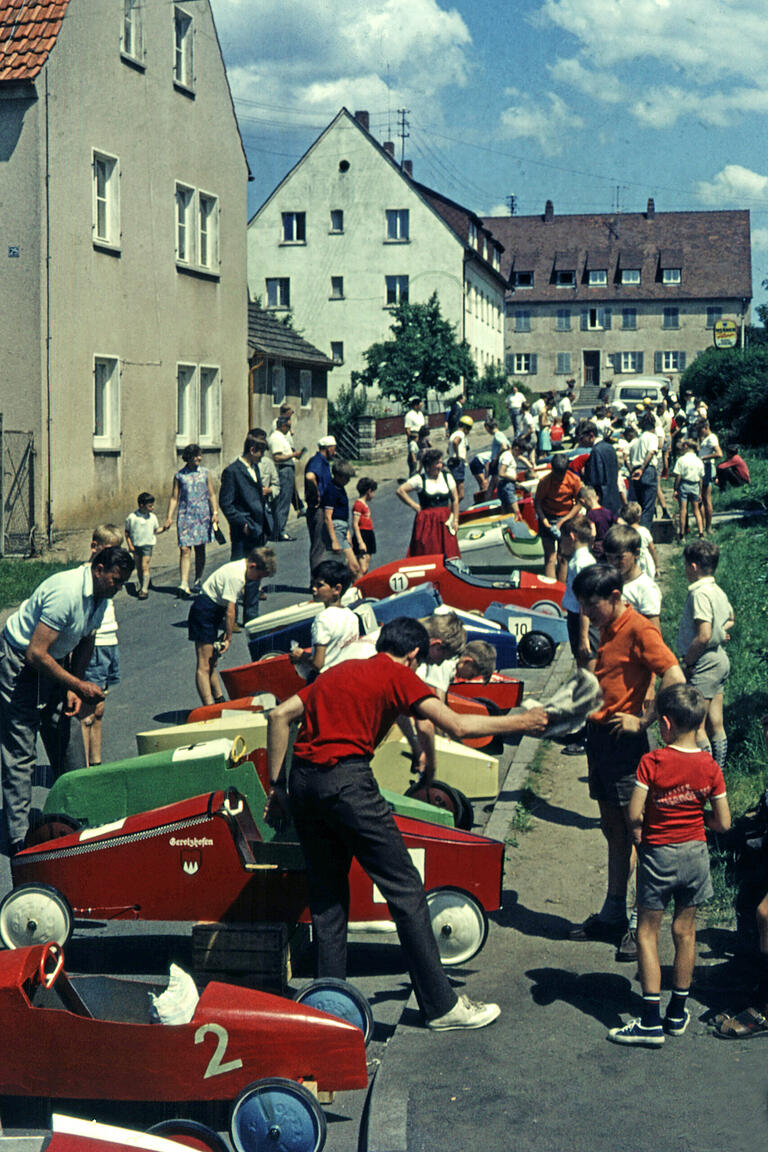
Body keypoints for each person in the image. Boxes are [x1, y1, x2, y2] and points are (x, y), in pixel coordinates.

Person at [264, 616, 549, 1030]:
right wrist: (522, 722)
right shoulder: (398, 674)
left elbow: (278, 716)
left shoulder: (341, 669)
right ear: (413, 654)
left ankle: (330, 1009)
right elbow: (459, 725)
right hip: (349, 784)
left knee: (327, 899)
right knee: (406, 890)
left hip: (305, 783)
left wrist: (278, 788)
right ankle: (441, 1006)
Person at [568, 564, 685, 961]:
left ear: (615, 597)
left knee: (637, 833)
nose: (586, 612)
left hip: (623, 742)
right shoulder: (607, 626)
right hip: (599, 738)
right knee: (612, 829)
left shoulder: (639, 628)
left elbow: (673, 674)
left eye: (592, 604)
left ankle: (640, 924)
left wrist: (646, 719)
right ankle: (613, 914)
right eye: (582, 604)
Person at [608, 683, 730, 1046]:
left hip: (660, 853)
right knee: (685, 931)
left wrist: (639, 831)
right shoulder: (709, 767)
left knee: (647, 932)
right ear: (700, 721)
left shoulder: (653, 762)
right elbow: (724, 822)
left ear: (664, 724)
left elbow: (633, 813)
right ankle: (676, 1012)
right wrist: (697, 818)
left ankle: (649, 1021)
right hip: (695, 853)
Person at [0, 546, 133, 853]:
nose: (118, 587)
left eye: (122, 583)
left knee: (68, 743)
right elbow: (35, 653)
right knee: (21, 752)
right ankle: (20, 840)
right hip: (21, 663)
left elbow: (87, 639)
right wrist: (77, 683)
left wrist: (74, 685)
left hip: (53, 664)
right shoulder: (67, 593)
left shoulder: (102, 597)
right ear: (98, 569)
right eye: (115, 580)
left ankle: (77, 823)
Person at [187, 547, 276, 705]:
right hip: (204, 610)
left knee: (212, 660)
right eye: (259, 577)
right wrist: (228, 638)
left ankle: (219, 699)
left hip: (214, 610)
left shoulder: (242, 569)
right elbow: (231, 611)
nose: (258, 581)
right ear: (253, 566)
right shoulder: (237, 576)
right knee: (204, 664)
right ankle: (208, 706)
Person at [677, 540, 734, 766]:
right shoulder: (716, 590)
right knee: (715, 722)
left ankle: (706, 774)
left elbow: (703, 634)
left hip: (704, 662)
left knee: (697, 725)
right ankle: (717, 772)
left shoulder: (699, 593)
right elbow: (730, 618)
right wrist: (720, 632)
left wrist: (688, 662)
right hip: (719, 659)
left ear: (692, 567)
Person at [79, 524, 124, 769]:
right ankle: (83, 765)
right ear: (94, 547)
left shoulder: (112, 575)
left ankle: (97, 762)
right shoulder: (89, 575)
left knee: (99, 709)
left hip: (109, 642)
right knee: (87, 711)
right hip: (94, 644)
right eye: (108, 550)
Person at [164, 444, 219, 598]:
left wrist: (215, 512)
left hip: (202, 515)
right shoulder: (180, 476)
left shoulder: (205, 473)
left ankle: (198, 579)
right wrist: (169, 516)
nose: (199, 458)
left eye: (200, 455)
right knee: (185, 549)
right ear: (188, 458)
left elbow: (212, 494)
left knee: (200, 549)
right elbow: (174, 497)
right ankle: (184, 583)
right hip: (185, 515)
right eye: (196, 456)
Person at [290, 560, 360, 679]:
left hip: (327, 681)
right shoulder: (351, 616)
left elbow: (318, 663)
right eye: (313, 584)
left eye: (319, 585)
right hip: (348, 676)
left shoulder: (323, 619)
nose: (313, 589)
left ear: (337, 589)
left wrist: (301, 656)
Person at [397, 449, 459, 559]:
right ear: (429, 465)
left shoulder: (447, 477)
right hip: (427, 523)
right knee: (428, 551)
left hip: (445, 521)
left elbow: (455, 499)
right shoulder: (420, 479)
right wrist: (415, 506)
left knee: (450, 552)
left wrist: (455, 520)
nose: (440, 466)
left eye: (440, 462)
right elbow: (400, 491)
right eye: (437, 463)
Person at [219, 435, 270, 560]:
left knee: (256, 569)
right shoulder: (232, 471)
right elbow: (226, 503)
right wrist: (242, 523)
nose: (262, 457)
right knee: (240, 568)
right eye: (260, 453)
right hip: (244, 531)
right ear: (252, 450)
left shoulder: (255, 468)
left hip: (258, 528)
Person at [533, 451, 582, 581]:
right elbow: (537, 503)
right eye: (556, 474)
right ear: (552, 469)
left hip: (566, 518)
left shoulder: (574, 480)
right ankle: (551, 588)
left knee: (563, 557)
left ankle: (561, 589)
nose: (559, 478)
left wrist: (563, 521)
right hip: (547, 517)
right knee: (550, 557)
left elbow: (579, 504)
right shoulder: (545, 482)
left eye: (561, 475)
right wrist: (544, 521)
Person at [602, 524, 661, 628]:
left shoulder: (646, 588)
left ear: (636, 553)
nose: (614, 563)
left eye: (620, 557)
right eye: (609, 557)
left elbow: (654, 633)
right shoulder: (611, 582)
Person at [268, 413, 304, 542]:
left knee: (285, 500)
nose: (289, 430)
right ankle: (279, 531)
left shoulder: (281, 437)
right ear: (282, 426)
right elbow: (277, 457)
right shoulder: (276, 438)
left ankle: (279, 529)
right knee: (283, 501)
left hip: (288, 468)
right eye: (288, 427)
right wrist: (293, 454)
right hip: (283, 470)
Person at [305, 436, 337, 573]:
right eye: (334, 449)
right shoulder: (318, 461)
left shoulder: (321, 461)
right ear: (329, 448)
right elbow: (310, 476)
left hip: (321, 507)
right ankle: (317, 580)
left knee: (321, 544)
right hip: (318, 509)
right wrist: (316, 493)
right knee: (319, 546)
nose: (334, 452)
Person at [323, 460, 360, 577]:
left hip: (343, 528)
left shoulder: (341, 488)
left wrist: (347, 533)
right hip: (336, 529)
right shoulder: (331, 490)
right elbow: (328, 517)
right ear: (338, 476)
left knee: (354, 568)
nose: (348, 480)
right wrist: (334, 541)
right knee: (345, 568)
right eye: (346, 477)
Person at [125, 492, 165, 600]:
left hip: (147, 545)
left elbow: (155, 530)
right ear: (141, 505)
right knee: (138, 567)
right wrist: (130, 545)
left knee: (144, 565)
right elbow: (127, 533)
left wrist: (164, 528)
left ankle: (144, 590)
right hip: (136, 546)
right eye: (150, 506)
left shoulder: (152, 517)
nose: (152, 508)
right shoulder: (132, 517)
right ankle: (143, 584)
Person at [580, 420, 622, 515]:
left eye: (582, 438)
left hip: (602, 501)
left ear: (591, 435)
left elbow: (596, 480)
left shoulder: (596, 451)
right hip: (614, 497)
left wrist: (585, 475)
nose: (580, 442)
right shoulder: (609, 447)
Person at [626, 412, 659, 529]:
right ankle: (644, 534)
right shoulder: (652, 437)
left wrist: (633, 470)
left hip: (635, 470)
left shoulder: (636, 440)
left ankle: (634, 530)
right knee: (648, 506)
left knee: (637, 505)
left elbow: (628, 458)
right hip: (646, 470)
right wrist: (642, 468)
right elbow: (651, 452)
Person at [673, 438, 705, 540]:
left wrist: (675, 488)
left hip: (684, 485)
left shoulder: (681, 460)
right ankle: (701, 532)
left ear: (686, 446)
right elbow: (701, 478)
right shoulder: (699, 461)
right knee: (696, 510)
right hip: (695, 485)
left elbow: (678, 476)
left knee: (683, 510)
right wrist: (700, 492)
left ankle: (682, 534)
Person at [618, 501, 659, 579]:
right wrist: (656, 565)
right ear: (639, 517)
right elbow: (652, 549)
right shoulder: (644, 531)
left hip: (631, 563)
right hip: (645, 563)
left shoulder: (624, 532)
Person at [696, 419, 722, 534]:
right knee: (700, 499)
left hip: (707, 468)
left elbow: (719, 454)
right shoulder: (705, 438)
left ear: (705, 427)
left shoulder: (712, 438)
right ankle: (703, 525)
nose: (699, 432)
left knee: (706, 498)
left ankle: (709, 527)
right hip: (702, 468)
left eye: (700, 429)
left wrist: (703, 458)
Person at [577, 485, 616, 559]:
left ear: (583, 501)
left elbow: (593, 532)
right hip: (609, 544)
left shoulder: (590, 515)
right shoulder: (607, 512)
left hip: (598, 546)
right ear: (597, 497)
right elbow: (619, 521)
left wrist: (590, 545)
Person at [352, 477, 377, 576]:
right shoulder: (358, 505)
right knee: (363, 567)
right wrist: (360, 542)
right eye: (373, 492)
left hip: (369, 533)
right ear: (369, 491)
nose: (373, 495)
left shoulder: (364, 504)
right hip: (362, 535)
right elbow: (355, 524)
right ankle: (357, 585)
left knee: (366, 565)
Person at [446, 415, 473, 501]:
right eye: (469, 429)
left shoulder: (453, 434)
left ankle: (452, 510)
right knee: (460, 494)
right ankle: (452, 511)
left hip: (451, 461)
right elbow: (455, 442)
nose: (468, 431)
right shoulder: (460, 434)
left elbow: (448, 450)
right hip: (457, 462)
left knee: (455, 492)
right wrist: (458, 456)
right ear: (465, 427)